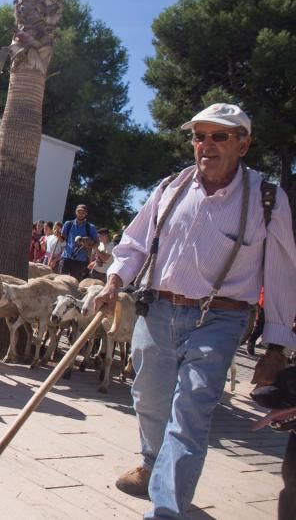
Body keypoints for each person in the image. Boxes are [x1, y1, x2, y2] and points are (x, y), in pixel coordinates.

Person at [92, 103, 296, 518]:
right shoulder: (172, 187)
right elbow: (133, 244)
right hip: (158, 310)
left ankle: (166, 510)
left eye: (219, 136)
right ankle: (152, 465)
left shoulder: (266, 199)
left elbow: (280, 276)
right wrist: (114, 281)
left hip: (220, 319)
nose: (206, 145)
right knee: (148, 399)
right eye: (199, 136)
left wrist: (276, 348)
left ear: (244, 143)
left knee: (190, 411)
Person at [57, 204, 98, 281]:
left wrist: (87, 241)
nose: (81, 214)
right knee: (60, 281)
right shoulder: (68, 224)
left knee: (74, 284)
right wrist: (58, 235)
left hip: (80, 260)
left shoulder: (90, 227)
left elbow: (96, 243)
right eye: (79, 211)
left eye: (83, 212)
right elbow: (63, 240)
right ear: (76, 212)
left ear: (86, 214)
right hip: (65, 258)